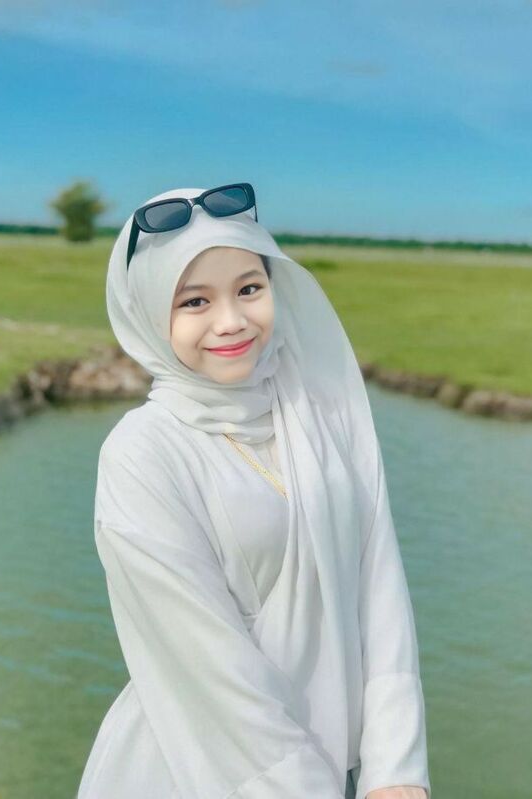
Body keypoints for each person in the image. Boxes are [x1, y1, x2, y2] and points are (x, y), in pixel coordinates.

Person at [76, 183, 431, 799]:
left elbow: (378, 585)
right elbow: (207, 666)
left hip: (335, 772)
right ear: (149, 314)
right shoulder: (142, 453)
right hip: (197, 772)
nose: (232, 321)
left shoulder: (316, 410)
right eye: (194, 301)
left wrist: (395, 770)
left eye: (249, 288)